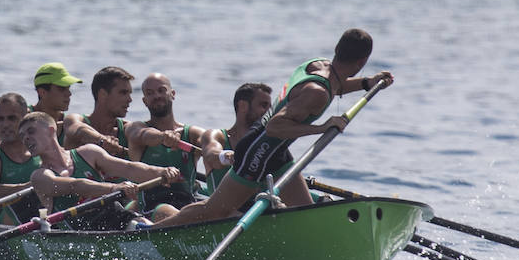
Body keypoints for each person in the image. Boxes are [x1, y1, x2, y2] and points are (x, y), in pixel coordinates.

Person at [151, 29, 392, 228]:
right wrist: (322, 127)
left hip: (277, 152)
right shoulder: (317, 93)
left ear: (338, 49)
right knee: (214, 209)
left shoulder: (318, 66)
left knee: (303, 213)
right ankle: (154, 231)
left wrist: (366, 83)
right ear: (363, 61)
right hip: (258, 150)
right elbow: (276, 126)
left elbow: (335, 86)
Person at [19, 111, 181, 230]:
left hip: (109, 219)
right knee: (114, 211)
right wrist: (114, 188)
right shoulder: (40, 176)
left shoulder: (88, 153)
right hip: (76, 233)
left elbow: (129, 168)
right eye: (22, 136)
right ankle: (147, 233)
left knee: (161, 210)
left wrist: (161, 172)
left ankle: (155, 232)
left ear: (50, 130)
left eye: (31, 131)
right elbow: (75, 185)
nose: (26, 138)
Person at [122, 73, 212, 212]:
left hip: (187, 203)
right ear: (145, 101)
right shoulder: (136, 128)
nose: (157, 96)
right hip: (151, 209)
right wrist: (163, 137)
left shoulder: (192, 134)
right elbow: (142, 135)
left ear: (173, 94)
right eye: (150, 93)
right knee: (166, 210)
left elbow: (212, 142)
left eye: (161, 90)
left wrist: (222, 153)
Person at [0, 93, 40, 224]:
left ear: (26, 118)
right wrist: (27, 188)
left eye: (12, 118)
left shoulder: (41, 152)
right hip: (5, 224)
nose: (5, 125)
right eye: (0, 119)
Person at [201, 82, 272, 194]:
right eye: (263, 105)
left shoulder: (267, 143)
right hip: (223, 209)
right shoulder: (217, 136)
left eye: (270, 107)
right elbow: (211, 156)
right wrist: (227, 156)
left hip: (260, 207)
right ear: (243, 106)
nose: (268, 112)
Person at [62, 66, 134, 158]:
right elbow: (77, 129)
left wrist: (120, 150)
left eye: (129, 93)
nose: (129, 99)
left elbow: (139, 132)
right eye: (123, 93)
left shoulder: (127, 129)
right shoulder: (75, 120)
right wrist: (103, 141)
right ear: (102, 94)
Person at [30, 62, 81, 138]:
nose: (69, 93)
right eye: (62, 89)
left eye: (68, 88)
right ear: (42, 92)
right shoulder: (19, 117)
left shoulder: (69, 122)